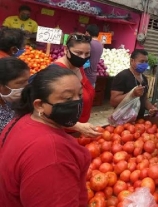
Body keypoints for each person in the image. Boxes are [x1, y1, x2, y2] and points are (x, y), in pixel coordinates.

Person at [0, 65, 91, 206]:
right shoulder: (52, 153)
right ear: (39, 105)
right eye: (67, 98)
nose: (77, 102)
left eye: (79, 95)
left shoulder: (22, 120)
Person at [54, 33, 100, 137]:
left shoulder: (78, 67)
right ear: (66, 50)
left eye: (87, 53)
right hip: (61, 133)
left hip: (77, 132)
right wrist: (77, 126)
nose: (83, 57)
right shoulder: (57, 73)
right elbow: (49, 111)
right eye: (78, 53)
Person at [110, 49, 157, 118]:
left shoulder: (144, 79)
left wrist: (151, 108)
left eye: (146, 62)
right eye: (141, 61)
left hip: (139, 121)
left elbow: (144, 99)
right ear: (132, 61)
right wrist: (132, 94)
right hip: (123, 121)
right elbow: (113, 102)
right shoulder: (122, 76)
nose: (144, 64)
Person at [0, 57, 30, 133]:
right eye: (20, 83)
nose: (26, 86)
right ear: (1, 86)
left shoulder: (10, 100)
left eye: (27, 81)